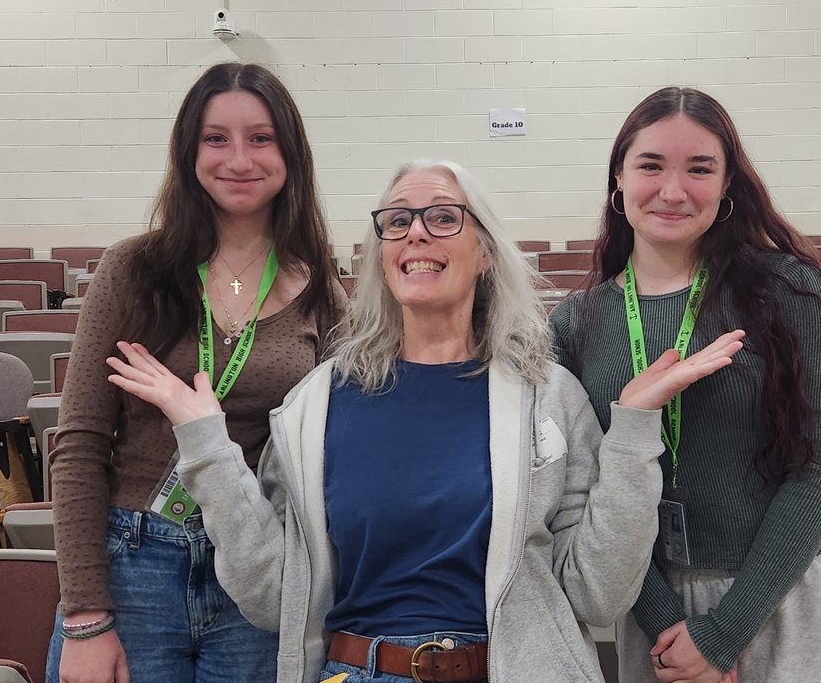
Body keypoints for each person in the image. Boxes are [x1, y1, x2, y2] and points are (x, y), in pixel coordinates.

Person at [104, 159, 745, 683]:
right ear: (382, 252)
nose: (417, 233)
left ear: (485, 252)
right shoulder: (315, 406)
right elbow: (274, 597)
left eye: (443, 218)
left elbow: (598, 596)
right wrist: (207, 444)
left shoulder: (547, 397)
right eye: (399, 221)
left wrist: (634, 429)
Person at [549, 87, 821, 683]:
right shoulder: (575, 324)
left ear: (727, 185)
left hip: (787, 600)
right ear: (618, 179)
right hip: (657, 624)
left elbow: (820, 473)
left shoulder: (794, 294)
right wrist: (670, 626)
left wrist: (723, 634)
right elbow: (585, 494)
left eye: (699, 169)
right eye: (650, 166)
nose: (672, 191)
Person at [46, 62, 345, 683]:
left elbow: (333, 459)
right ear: (189, 152)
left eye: (261, 138)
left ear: (290, 152)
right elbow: (78, 445)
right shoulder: (133, 270)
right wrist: (85, 617)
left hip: (257, 569)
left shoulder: (322, 294)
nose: (239, 158)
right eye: (216, 138)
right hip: (134, 562)